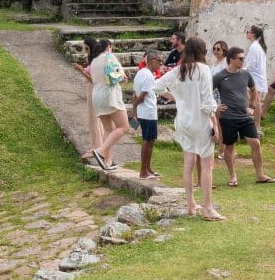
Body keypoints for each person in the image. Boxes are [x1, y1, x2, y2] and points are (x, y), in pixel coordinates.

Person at [155, 37, 224, 221]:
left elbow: (156, 86)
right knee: (207, 165)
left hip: (183, 121)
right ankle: (208, 208)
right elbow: (208, 101)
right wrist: (215, 124)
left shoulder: (179, 70)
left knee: (188, 161)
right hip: (200, 121)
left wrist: (174, 96)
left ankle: (191, 204)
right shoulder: (203, 70)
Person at [214, 46, 275, 186]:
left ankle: (260, 175)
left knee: (256, 143)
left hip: (244, 117)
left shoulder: (246, 74)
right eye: (240, 58)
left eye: (243, 58)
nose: (243, 61)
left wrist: (252, 106)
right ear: (231, 60)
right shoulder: (220, 76)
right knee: (229, 147)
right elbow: (207, 92)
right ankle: (233, 176)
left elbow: (254, 90)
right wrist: (216, 106)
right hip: (228, 117)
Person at [89, 40, 130, 171]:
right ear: (108, 47)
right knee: (124, 126)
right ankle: (101, 151)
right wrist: (124, 78)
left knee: (109, 129)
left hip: (96, 95)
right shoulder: (109, 56)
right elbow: (121, 76)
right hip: (109, 95)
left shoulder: (94, 60)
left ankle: (107, 161)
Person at [132, 51, 164, 180]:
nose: (161, 64)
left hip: (144, 112)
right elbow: (140, 97)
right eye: (159, 61)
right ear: (151, 60)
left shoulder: (140, 73)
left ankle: (147, 168)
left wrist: (135, 111)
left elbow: (135, 93)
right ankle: (143, 171)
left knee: (150, 140)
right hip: (148, 112)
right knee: (147, 140)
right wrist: (135, 106)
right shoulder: (148, 76)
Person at [73, 36, 104, 159]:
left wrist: (80, 70)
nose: (85, 51)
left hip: (93, 90)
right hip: (92, 90)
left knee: (94, 120)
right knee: (97, 120)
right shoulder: (94, 59)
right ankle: (98, 146)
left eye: (86, 48)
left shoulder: (96, 60)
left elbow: (94, 79)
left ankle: (96, 148)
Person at [243, 25, 268, 128]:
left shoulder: (254, 46)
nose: (246, 33)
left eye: (248, 31)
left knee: (256, 102)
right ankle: (254, 124)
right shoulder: (258, 46)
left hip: (255, 78)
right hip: (256, 77)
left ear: (253, 34)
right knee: (254, 101)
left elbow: (251, 65)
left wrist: (240, 70)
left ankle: (256, 125)